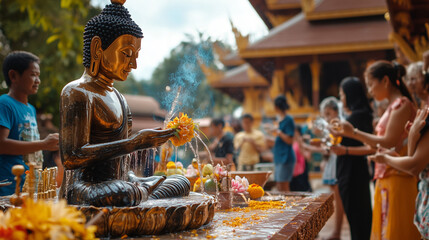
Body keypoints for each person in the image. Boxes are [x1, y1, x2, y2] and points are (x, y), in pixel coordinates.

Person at [59, 1, 180, 207]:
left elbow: (120, 164)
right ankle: (139, 194)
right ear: (97, 48)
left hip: (121, 181)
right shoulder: (77, 92)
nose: (133, 64)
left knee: (179, 183)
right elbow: (72, 157)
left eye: (136, 56)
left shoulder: (119, 97)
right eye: (126, 54)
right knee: (122, 195)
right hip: (85, 187)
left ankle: (140, 192)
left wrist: (135, 172)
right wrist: (135, 142)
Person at [332, 63, 420, 240]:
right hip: (386, 176)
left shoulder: (401, 105)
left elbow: (388, 141)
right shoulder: (392, 107)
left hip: (398, 176)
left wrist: (353, 133)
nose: (370, 91)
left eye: (371, 84)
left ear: (385, 81)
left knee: (397, 232)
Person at [0, 51, 59, 196]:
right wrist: (43, 144)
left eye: (38, 75)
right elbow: (1, 144)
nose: (38, 80)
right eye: (33, 75)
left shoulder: (30, 109)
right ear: (13, 76)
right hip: (9, 189)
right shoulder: (4, 104)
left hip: (30, 187)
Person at [369, 107, 429, 239]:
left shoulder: (402, 105)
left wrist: (386, 159)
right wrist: (412, 137)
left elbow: (414, 166)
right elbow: (413, 159)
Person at [328, 77, 373, 240]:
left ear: (350, 95)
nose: (341, 99)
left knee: (358, 220)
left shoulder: (359, 117)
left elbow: (370, 148)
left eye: (342, 95)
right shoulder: (354, 116)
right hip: (349, 172)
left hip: (354, 173)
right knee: (356, 220)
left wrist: (345, 150)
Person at [318, 96, 345, 240]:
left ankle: (337, 232)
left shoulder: (340, 124)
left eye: (329, 114)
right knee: (337, 197)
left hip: (339, 162)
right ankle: (337, 231)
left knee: (339, 198)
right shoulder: (332, 126)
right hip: (333, 161)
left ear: (336, 111)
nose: (327, 118)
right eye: (325, 116)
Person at [272, 95, 295, 192]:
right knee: (279, 185)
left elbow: (290, 140)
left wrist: (278, 132)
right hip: (279, 157)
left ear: (276, 107)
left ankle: (288, 206)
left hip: (286, 157)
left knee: (284, 187)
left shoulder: (288, 120)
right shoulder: (279, 120)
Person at [290, 125, 312, 192]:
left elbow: (307, 157)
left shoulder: (302, 142)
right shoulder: (290, 142)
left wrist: (300, 142)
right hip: (292, 171)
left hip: (301, 171)